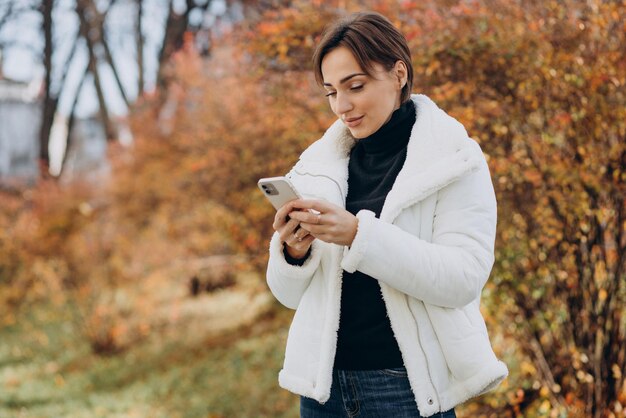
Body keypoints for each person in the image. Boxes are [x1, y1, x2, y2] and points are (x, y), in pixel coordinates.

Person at [265, 11, 508, 418]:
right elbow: (288, 296)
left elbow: (462, 279)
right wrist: (293, 253)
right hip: (323, 392)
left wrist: (359, 235)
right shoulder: (319, 166)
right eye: (330, 93)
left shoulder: (453, 159)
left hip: (403, 389)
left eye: (355, 86)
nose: (342, 106)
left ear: (399, 74)